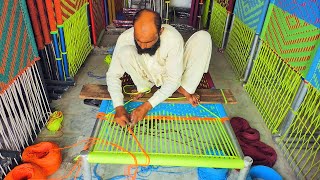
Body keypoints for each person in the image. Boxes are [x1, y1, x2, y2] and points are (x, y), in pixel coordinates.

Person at [106, 9, 212, 127]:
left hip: (173, 74)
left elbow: (173, 79)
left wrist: (146, 106)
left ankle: (183, 88)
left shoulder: (173, 39)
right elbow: (112, 74)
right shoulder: (125, 38)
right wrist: (119, 107)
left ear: (160, 31)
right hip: (149, 76)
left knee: (204, 37)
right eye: (138, 40)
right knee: (124, 52)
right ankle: (145, 87)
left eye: (148, 42)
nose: (142, 46)